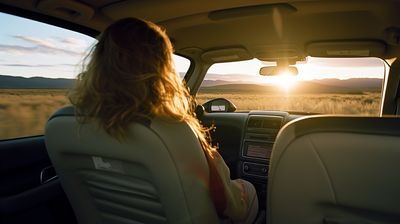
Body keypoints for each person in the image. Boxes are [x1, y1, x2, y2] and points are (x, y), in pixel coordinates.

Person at [68, 17, 258, 223]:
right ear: (161, 69)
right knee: (248, 189)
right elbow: (227, 203)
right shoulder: (174, 131)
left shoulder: (68, 125)